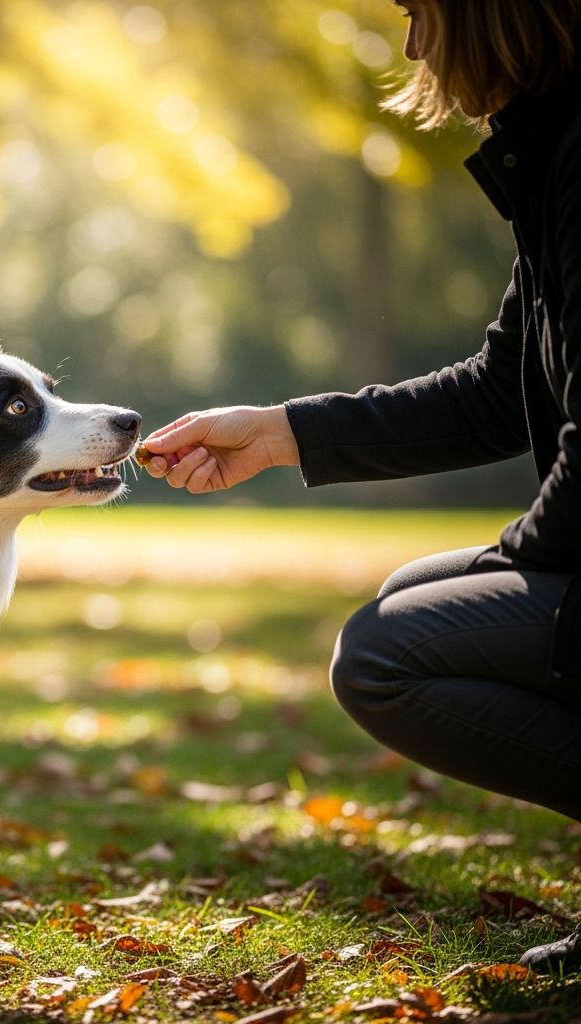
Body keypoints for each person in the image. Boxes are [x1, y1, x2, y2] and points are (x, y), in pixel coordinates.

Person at [142, 0, 581, 972]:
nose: (416, 46)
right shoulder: (550, 150)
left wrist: (515, 559)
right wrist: (281, 433)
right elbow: (495, 392)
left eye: (423, 13)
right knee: (405, 602)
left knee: (385, 654)